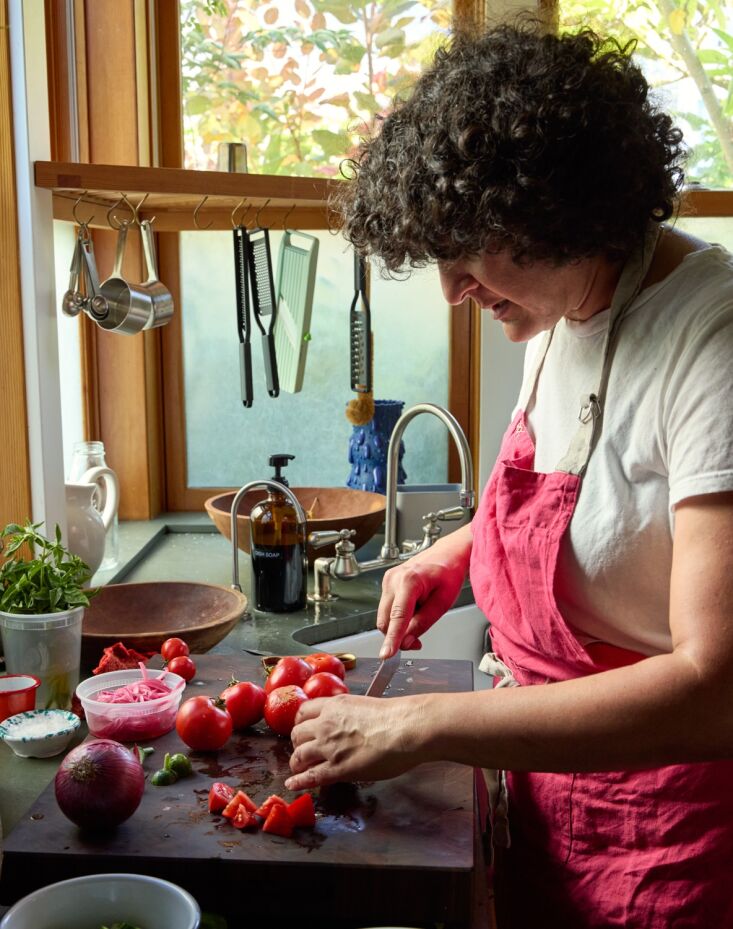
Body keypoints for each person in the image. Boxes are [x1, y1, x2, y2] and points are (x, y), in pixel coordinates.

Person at [284, 18, 733, 928]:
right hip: (539, 799)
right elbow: (587, 506)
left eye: (470, 252)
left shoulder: (709, 340)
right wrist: (455, 554)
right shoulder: (558, 311)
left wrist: (417, 725)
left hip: (666, 839)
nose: (452, 290)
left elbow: (715, 686)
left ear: (560, 210)